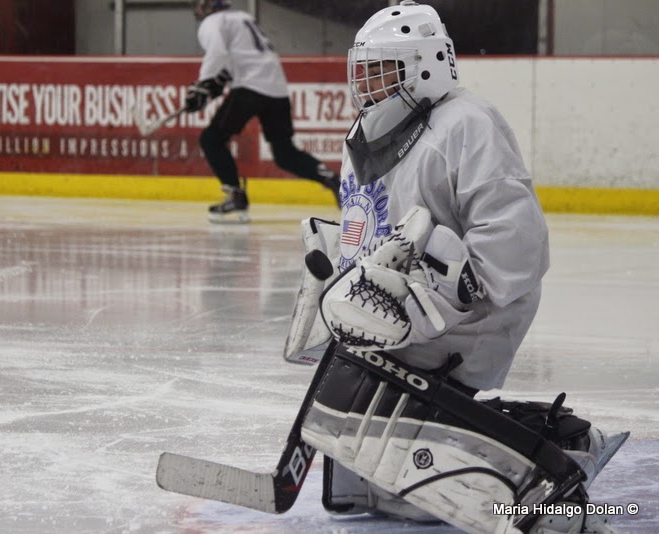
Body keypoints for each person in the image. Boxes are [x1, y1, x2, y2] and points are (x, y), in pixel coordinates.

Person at [284, 2, 628, 532]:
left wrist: (446, 291)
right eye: (363, 71)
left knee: (372, 403)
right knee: (358, 417)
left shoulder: (466, 122)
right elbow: (375, 228)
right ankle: (556, 435)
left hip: (475, 305)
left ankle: (538, 465)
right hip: (409, 299)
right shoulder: (369, 132)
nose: (365, 84)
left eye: (380, 70)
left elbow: (515, 240)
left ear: (424, 66)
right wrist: (341, 270)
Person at [187, 0, 341, 223]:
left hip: (251, 87)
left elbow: (218, 53)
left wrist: (202, 84)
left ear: (206, 6)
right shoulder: (244, 18)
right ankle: (331, 179)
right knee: (285, 153)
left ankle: (236, 196)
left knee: (211, 139)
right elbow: (244, 57)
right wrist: (218, 81)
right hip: (276, 88)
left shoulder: (212, 22)